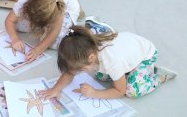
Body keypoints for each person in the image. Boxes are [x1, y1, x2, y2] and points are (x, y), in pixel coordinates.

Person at [39, 26, 177, 100]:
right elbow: (69, 72)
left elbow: (119, 91)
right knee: (101, 76)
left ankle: (158, 77)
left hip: (146, 56)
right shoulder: (87, 45)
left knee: (132, 91)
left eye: (80, 69)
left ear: (92, 57)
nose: (77, 72)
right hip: (128, 52)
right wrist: (55, 89)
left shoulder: (112, 61)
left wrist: (95, 93)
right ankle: (128, 71)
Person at [4, 0, 80, 62]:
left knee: (57, 42)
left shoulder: (57, 8)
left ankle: (81, 18)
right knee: (18, 25)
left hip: (69, 7)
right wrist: (14, 39)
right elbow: (9, 20)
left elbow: (55, 31)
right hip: (47, 8)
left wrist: (38, 50)